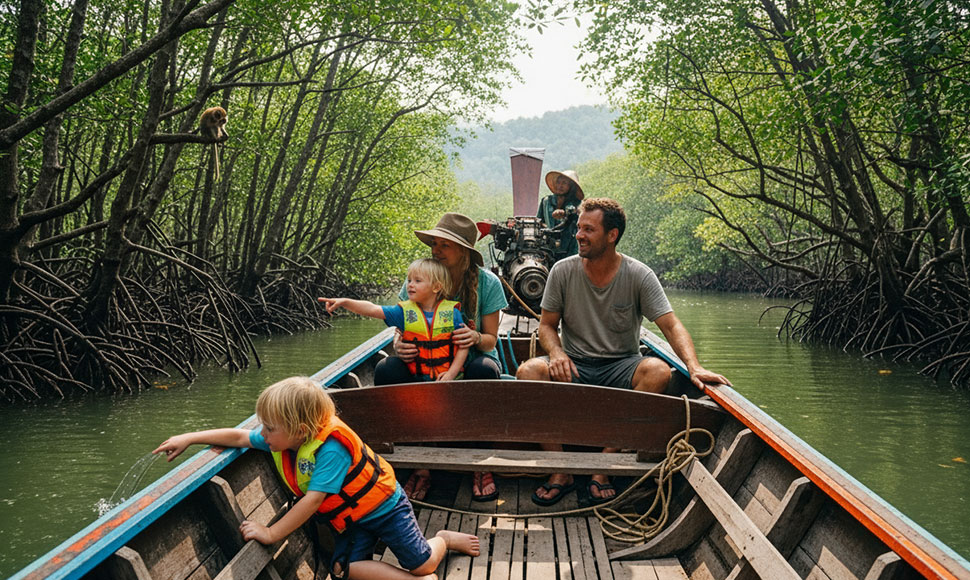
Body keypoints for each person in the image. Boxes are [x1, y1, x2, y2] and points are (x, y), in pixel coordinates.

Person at [516, 198, 731, 507]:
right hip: (574, 364)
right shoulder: (563, 270)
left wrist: (694, 367)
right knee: (528, 372)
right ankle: (558, 469)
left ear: (612, 235)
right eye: (579, 228)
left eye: (589, 229)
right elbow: (547, 326)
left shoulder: (638, 274)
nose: (579, 235)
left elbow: (671, 325)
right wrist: (558, 354)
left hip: (621, 366)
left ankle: (602, 468)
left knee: (658, 371)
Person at [153, 377, 480, 580]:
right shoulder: (282, 439)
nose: (262, 434)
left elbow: (313, 500)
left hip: (385, 508)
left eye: (269, 427)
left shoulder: (331, 450)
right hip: (352, 521)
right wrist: (190, 437)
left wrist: (270, 532)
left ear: (300, 430)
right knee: (343, 571)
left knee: (421, 563)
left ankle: (442, 540)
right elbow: (239, 437)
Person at [374, 213, 508, 503]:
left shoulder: (488, 283)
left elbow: (490, 340)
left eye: (444, 245)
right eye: (435, 244)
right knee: (388, 369)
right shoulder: (422, 278)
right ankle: (415, 462)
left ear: (464, 253)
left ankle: (479, 461)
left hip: (469, 364)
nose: (435, 250)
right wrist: (400, 345)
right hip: (425, 365)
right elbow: (401, 329)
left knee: (483, 370)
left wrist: (474, 338)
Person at [319, 258, 469, 382]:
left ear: (436, 287)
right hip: (415, 379)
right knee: (386, 367)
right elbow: (372, 309)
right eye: (409, 279)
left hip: (447, 379)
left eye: (417, 281)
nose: (410, 284)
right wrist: (345, 301)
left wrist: (451, 374)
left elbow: (463, 347)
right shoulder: (402, 312)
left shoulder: (452, 313)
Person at [537, 170, 584, 259]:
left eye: (564, 183)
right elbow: (539, 221)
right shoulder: (546, 201)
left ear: (571, 187)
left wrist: (566, 213)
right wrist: (547, 228)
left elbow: (579, 215)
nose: (560, 186)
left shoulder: (577, 203)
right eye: (558, 182)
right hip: (549, 247)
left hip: (570, 247)